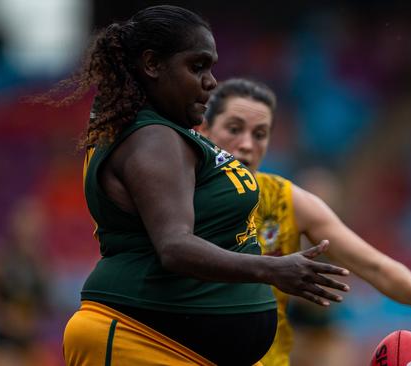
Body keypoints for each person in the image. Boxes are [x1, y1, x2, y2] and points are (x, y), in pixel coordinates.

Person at [37, 6, 349, 366]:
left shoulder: (163, 133)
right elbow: (174, 246)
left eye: (211, 67)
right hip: (138, 339)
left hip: (173, 344)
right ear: (152, 64)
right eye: (197, 66)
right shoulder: (152, 138)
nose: (211, 81)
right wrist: (271, 269)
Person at [199, 78, 411, 366]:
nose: (247, 144)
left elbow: (373, 265)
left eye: (260, 133)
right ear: (204, 130)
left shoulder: (288, 202)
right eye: (234, 129)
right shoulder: (173, 196)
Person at [0, 197, 50, 366]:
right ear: (16, 223)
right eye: (27, 220)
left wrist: (31, 318)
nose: (32, 226)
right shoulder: (0, 255)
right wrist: (4, 317)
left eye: (36, 221)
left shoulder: (42, 262)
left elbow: (44, 300)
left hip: (27, 340)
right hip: (0, 339)